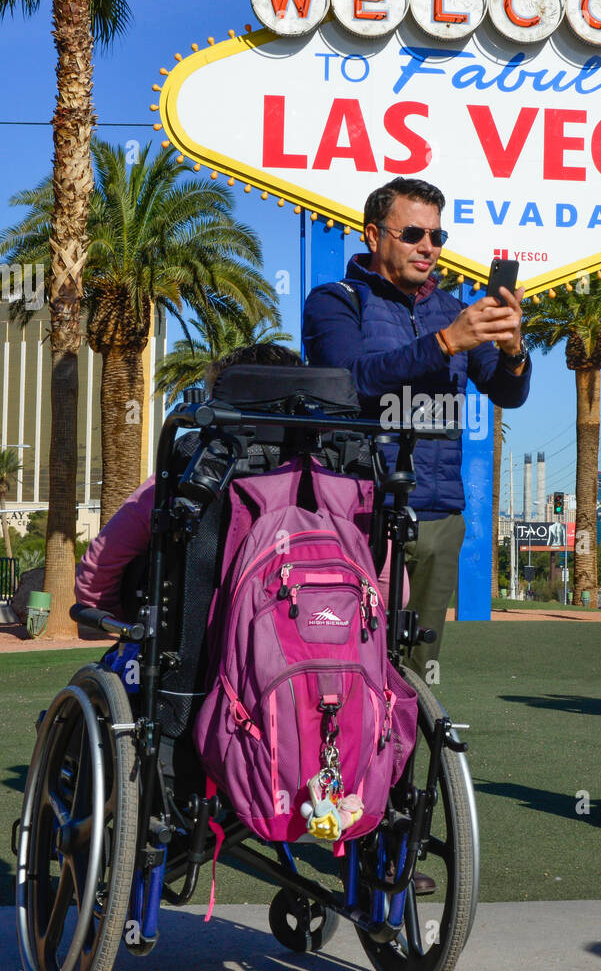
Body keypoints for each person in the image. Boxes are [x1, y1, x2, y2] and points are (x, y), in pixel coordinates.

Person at [302, 176, 531, 680]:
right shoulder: (336, 300)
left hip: (439, 515)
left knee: (419, 669)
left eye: (436, 236)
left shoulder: (453, 311)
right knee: (352, 659)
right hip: (360, 509)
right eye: (412, 234)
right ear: (373, 234)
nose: (428, 247)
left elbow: (507, 393)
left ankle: (410, 735)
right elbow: (349, 380)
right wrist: (445, 343)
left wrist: (514, 350)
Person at [75, 342, 303, 618]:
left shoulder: (191, 464)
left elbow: (97, 572)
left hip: (201, 637)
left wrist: (126, 623)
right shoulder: (338, 473)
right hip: (329, 633)